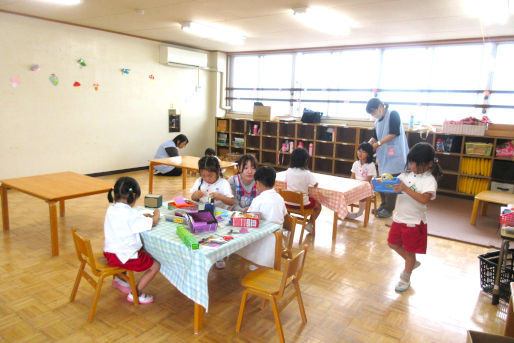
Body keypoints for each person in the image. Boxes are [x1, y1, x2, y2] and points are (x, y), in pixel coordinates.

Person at [389, 142, 442, 292]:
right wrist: (384, 184)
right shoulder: (406, 175)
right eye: (412, 162)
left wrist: (405, 189)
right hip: (399, 218)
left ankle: (405, 278)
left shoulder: (429, 180)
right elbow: (395, 185)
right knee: (392, 243)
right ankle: (411, 262)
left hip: (413, 222)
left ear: (429, 164)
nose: (413, 166)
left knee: (410, 251)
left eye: (417, 164)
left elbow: (424, 199)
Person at [103, 176, 161, 304]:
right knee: (155, 266)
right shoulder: (131, 215)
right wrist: (157, 213)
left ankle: (119, 279)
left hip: (110, 253)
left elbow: (126, 221)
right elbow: (154, 222)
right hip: (124, 256)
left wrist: (139, 216)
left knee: (128, 246)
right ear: (134, 196)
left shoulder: (111, 209)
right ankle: (136, 293)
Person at [237, 166, 288, 269]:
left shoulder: (258, 200)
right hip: (278, 239)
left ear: (258, 183)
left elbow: (250, 220)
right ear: (274, 183)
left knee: (240, 243)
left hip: (264, 242)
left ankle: (257, 264)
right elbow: (285, 214)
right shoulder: (280, 198)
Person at [366, 98, 409, 218]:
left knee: (391, 182)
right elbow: (375, 136)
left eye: (373, 112)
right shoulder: (377, 121)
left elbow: (394, 133)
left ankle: (389, 209)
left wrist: (378, 144)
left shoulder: (393, 114)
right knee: (382, 181)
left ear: (380, 106)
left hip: (395, 155)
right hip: (384, 156)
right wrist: (368, 144)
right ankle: (383, 205)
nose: (373, 115)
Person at [285, 147, 321, 233]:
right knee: (318, 206)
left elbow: (286, 182)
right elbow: (315, 184)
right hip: (302, 204)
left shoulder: (288, 171)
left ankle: (287, 223)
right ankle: (310, 224)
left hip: (288, 203)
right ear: (305, 161)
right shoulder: (307, 173)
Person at [347, 142, 377, 219]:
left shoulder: (371, 165)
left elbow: (367, 181)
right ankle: (346, 213)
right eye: (359, 151)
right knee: (344, 192)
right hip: (356, 185)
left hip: (367, 186)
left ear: (369, 154)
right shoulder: (356, 163)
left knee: (362, 194)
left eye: (363, 152)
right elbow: (352, 177)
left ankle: (359, 213)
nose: (360, 153)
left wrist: (358, 187)